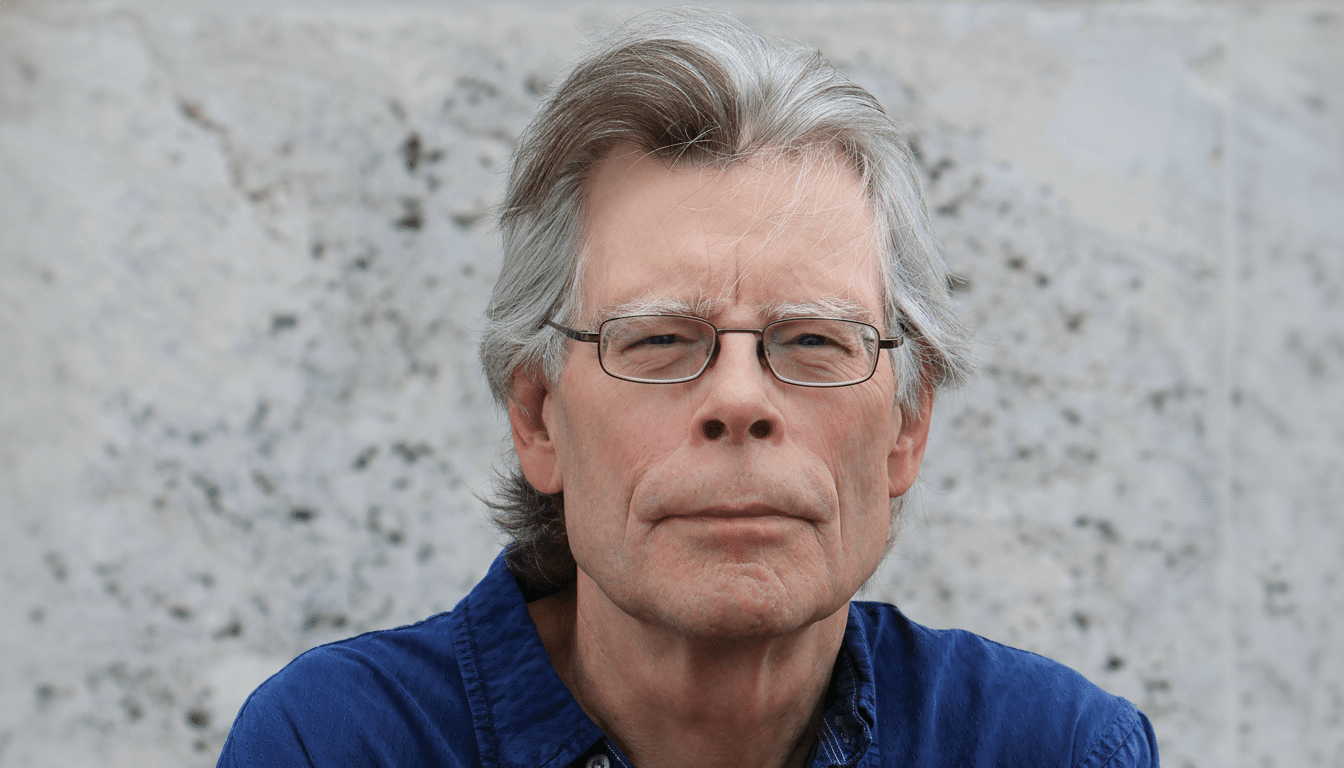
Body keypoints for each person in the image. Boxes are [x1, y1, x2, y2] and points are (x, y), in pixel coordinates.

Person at [218, 8, 1158, 767]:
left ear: (907, 425)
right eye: (662, 339)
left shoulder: (1053, 748)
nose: (740, 399)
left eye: (814, 340)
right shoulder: (338, 745)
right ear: (538, 417)